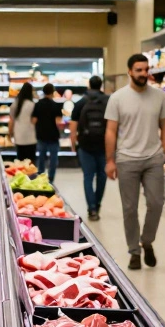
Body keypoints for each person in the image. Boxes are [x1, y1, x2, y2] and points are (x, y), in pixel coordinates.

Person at [106, 53, 165, 270]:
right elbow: (111, 131)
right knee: (129, 208)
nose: (144, 74)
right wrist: (110, 160)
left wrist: (164, 151)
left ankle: (147, 240)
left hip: (153, 158)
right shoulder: (117, 98)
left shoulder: (159, 96)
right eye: (139, 70)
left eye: (146, 69)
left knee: (156, 203)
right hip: (127, 159)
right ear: (129, 72)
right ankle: (134, 251)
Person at [70, 75, 110, 220]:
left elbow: (73, 124)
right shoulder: (107, 101)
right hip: (103, 144)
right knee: (102, 176)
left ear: (89, 85)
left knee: (88, 177)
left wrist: (73, 143)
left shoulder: (81, 102)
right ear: (100, 85)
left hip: (85, 145)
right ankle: (97, 204)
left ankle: (91, 208)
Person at [31, 83, 63, 182]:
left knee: (41, 157)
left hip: (41, 135)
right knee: (53, 159)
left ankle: (41, 175)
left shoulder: (38, 105)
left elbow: (33, 121)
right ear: (53, 92)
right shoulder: (56, 105)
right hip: (53, 135)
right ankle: (51, 178)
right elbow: (58, 122)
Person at [8, 82, 38, 163]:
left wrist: (10, 134)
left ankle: (21, 175)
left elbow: (11, 121)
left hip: (19, 136)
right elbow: (34, 121)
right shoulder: (32, 105)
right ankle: (31, 175)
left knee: (20, 161)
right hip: (31, 137)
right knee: (30, 162)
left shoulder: (15, 104)